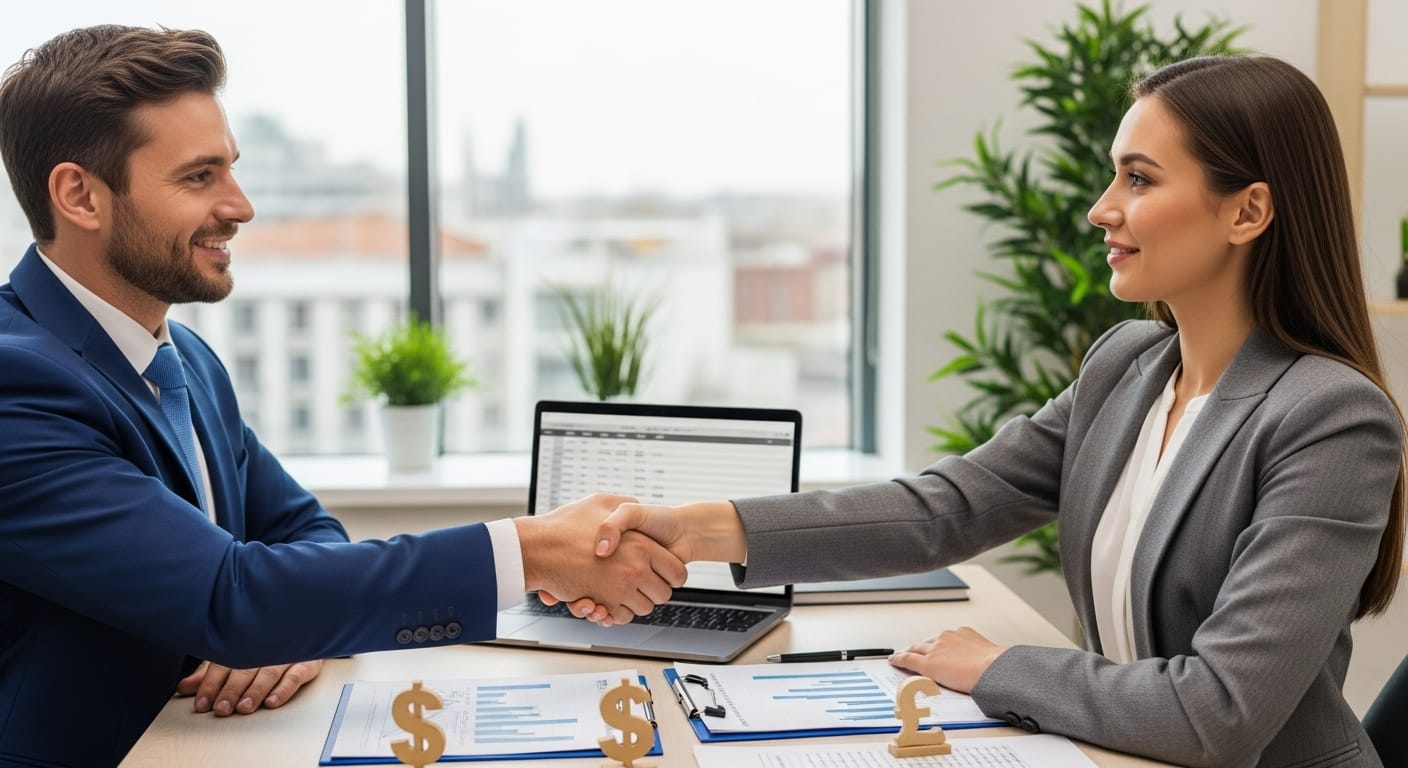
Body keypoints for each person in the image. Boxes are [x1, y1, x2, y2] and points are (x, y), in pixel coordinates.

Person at [569, 56, 1408, 767]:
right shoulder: (1128, 366)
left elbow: (1219, 710)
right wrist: (695, 530)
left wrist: (1000, 665)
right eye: (1116, 172)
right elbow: (949, 507)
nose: (1101, 208)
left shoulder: (1330, 419)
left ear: (1248, 211)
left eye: (1139, 179)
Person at [0, 25, 682, 768]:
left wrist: (279, 629)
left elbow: (306, 530)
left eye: (231, 169)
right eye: (199, 177)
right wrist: (533, 551)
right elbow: (234, 597)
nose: (241, 205)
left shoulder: (183, 358)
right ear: (79, 195)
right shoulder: (17, 382)